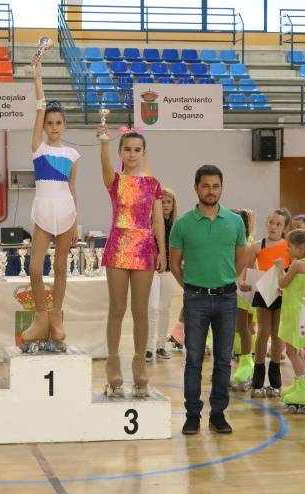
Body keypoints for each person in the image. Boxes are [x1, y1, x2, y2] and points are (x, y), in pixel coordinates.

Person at [169, 165, 247, 435]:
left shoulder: (235, 222)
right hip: (195, 300)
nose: (211, 191)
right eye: (206, 186)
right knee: (193, 360)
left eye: (216, 186)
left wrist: (226, 280)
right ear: (196, 188)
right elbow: (174, 264)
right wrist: (191, 287)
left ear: (221, 188)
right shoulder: (183, 224)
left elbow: (241, 258)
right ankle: (192, 415)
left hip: (227, 299)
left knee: (223, 360)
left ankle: (218, 414)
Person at [98, 125, 165, 398]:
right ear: (120, 152)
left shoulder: (153, 183)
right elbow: (105, 167)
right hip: (117, 246)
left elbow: (158, 220)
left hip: (144, 248)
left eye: (137, 149)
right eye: (127, 149)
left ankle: (140, 364)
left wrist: (162, 251)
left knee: (141, 310)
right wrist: (104, 142)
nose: (132, 154)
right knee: (117, 309)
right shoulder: (114, 180)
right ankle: (113, 363)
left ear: (143, 152)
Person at [20, 54, 80, 354]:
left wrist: (77, 222)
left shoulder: (72, 155)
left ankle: (56, 316)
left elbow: (72, 189)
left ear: (64, 125)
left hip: (66, 211)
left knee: (59, 268)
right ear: (43, 126)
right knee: (34, 268)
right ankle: (41, 316)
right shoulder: (38, 148)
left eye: (58, 123)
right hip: (43, 211)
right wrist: (38, 76)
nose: (53, 126)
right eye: (49, 123)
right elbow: (39, 105)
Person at [243, 209, 291, 398]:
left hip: (281, 292)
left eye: (278, 224)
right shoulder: (257, 246)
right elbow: (247, 269)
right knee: (263, 333)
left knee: (278, 333)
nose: (274, 226)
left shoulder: (288, 246)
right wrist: (245, 281)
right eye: (271, 222)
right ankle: (258, 373)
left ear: (285, 227)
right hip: (263, 292)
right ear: (266, 223)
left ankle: (275, 373)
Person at [275, 229, 305, 414]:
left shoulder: (297, 264)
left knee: (292, 351)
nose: (287, 250)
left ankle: (303, 389)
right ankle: (298, 384)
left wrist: (279, 267)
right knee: (294, 350)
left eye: (289, 246)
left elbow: (282, 283)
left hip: (293, 312)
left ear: (300, 247)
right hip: (297, 309)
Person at [146, 187, 178, 363]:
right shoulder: (149, 222)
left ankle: (161, 346)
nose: (165, 205)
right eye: (162, 202)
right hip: (152, 270)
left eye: (169, 202)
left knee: (165, 308)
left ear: (173, 204)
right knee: (152, 307)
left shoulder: (177, 225)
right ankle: (148, 348)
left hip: (169, 271)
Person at [230, 208, 256, 391]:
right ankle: (244, 363)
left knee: (242, 326)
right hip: (235, 286)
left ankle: (247, 363)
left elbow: (251, 267)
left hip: (243, 288)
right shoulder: (234, 241)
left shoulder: (247, 243)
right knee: (241, 327)